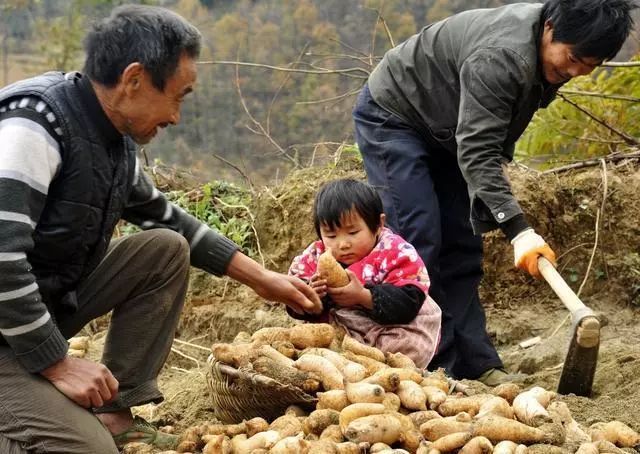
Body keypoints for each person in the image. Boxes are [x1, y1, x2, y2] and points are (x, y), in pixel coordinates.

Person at [0, 5, 322, 453]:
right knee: (87, 450)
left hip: (33, 313)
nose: (176, 117)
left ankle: (115, 415)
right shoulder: (35, 124)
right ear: (134, 80)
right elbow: (1, 257)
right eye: (178, 95)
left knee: (165, 249)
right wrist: (56, 363)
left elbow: (168, 219)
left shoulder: (114, 142)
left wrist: (266, 281)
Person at [352, 0, 635, 385]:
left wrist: (492, 203)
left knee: (463, 246)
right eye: (572, 58)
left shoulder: (545, 51)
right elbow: (479, 150)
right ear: (550, 28)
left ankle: (478, 363)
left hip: (451, 129)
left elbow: (490, 136)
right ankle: (437, 365)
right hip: (395, 116)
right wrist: (519, 229)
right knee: (419, 241)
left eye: (588, 67)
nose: (573, 71)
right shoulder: (502, 56)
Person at [288, 179, 442, 368]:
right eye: (331, 235)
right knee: (309, 347)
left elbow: (409, 301)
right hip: (339, 337)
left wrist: (363, 296)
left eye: (353, 232)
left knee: (406, 349)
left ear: (378, 224)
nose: (343, 244)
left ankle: (384, 369)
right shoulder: (313, 258)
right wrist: (312, 295)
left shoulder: (395, 252)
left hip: (390, 330)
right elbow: (292, 298)